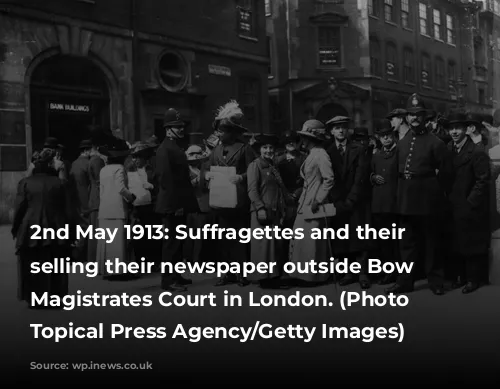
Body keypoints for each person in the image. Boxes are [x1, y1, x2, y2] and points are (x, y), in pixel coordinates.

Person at [385, 93, 453, 296]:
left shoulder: (436, 143)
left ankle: (436, 281)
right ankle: (405, 282)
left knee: (431, 242)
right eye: (411, 114)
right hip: (406, 199)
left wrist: (435, 193)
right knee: (406, 244)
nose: (415, 118)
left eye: (419, 114)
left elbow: (447, 174)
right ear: (407, 117)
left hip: (428, 199)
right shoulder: (403, 142)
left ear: (425, 117)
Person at [202, 100, 257, 287]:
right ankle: (227, 273)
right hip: (220, 200)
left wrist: (241, 177)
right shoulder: (215, 150)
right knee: (224, 239)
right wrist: (207, 175)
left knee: (240, 238)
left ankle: (242, 273)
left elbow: (253, 171)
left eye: (222, 131)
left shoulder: (244, 149)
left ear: (232, 133)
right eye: (218, 131)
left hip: (238, 200)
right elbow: (205, 168)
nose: (219, 134)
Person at [12, 149, 72, 309]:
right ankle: (55, 296)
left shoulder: (25, 183)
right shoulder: (60, 183)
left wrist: (15, 229)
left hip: (30, 228)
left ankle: (34, 297)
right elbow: (68, 210)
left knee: (32, 263)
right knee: (55, 263)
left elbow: (19, 208)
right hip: (56, 229)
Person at [155, 108, 199, 292]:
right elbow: (166, 179)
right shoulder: (165, 149)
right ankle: (168, 281)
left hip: (179, 202)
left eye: (181, 126)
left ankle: (176, 275)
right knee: (171, 243)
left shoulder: (174, 147)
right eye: (176, 126)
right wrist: (176, 205)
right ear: (167, 129)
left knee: (178, 241)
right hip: (172, 204)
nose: (181, 129)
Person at [446, 112, 491, 294]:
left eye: (458, 128)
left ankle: (473, 279)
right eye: (451, 129)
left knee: (471, 243)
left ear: (466, 130)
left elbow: (483, 180)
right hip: (453, 203)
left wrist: (470, 202)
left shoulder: (477, 152)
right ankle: (461, 277)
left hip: (469, 206)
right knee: (457, 242)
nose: (454, 132)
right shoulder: (448, 149)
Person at [326, 118, 372, 290]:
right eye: (337, 128)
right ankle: (348, 272)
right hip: (338, 201)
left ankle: (363, 273)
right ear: (331, 132)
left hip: (357, 200)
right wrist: (337, 199)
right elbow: (328, 178)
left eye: (343, 128)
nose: (340, 131)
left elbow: (361, 176)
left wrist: (351, 199)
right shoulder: (327, 151)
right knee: (342, 237)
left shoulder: (359, 149)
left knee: (360, 237)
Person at [288, 120, 334, 286]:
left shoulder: (321, 154)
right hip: (305, 201)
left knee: (312, 241)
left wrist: (318, 199)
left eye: (305, 137)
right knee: (304, 239)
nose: (302, 141)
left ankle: (314, 277)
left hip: (314, 203)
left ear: (312, 139)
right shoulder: (312, 154)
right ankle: (303, 275)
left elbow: (329, 179)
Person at [247, 133, 288, 284]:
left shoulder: (273, 166)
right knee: (263, 246)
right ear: (259, 150)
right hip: (262, 211)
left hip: (274, 210)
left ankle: (272, 276)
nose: (269, 150)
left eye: (271, 147)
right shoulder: (255, 165)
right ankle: (263, 278)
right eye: (265, 147)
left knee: (273, 246)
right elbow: (252, 190)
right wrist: (259, 208)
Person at [96, 141, 136, 278]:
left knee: (107, 240)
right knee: (118, 241)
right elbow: (121, 188)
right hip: (117, 207)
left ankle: (105, 269)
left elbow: (101, 190)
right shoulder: (119, 168)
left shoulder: (103, 170)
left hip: (105, 208)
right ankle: (118, 271)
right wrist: (131, 197)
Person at [370, 119, 399, 285]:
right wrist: (372, 177)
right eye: (383, 136)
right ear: (378, 138)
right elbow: (370, 172)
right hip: (378, 204)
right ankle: (385, 271)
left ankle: (394, 272)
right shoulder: (377, 155)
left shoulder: (399, 153)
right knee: (382, 242)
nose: (386, 139)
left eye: (388, 135)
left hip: (393, 204)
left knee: (394, 242)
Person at [126, 141, 157, 265]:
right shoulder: (128, 170)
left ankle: (151, 261)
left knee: (151, 235)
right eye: (134, 157)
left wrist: (152, 187)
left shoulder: (150, 170)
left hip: (149, 207)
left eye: (138, 157)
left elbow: (159, 185)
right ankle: (139, 261)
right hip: (135, 207)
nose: (135, 160)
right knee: (137, 237)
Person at [183, 144, 213, 264]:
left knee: (203, 235)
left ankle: (201, 259)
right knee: (192, 235)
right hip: (193, 204)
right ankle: (192, 259)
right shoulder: (186, 170)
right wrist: (200, 179)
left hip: (205, 204)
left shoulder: (203, 168)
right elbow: (187, 185)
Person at [69, 139, 93, 261]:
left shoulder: (74, 163)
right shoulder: (88, 164)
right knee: (87, 228)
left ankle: (78, 252)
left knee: (81, 228)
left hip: (75, 201)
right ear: (87, 150)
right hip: (86, 200)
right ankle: (78, 253)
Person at [87, 136, 106, 262]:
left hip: (93, 197)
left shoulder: (92, 160)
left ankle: (93, 259)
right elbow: (100, 181)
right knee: (97, 231)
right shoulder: (97, 160)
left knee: (94, 231)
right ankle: (95, 259)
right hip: (97, 198)